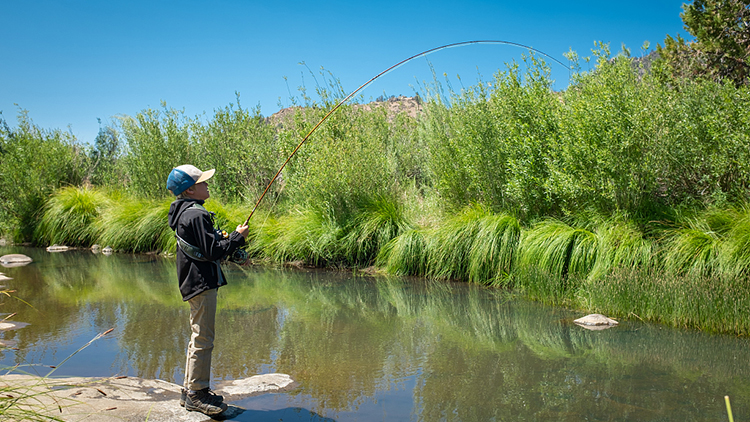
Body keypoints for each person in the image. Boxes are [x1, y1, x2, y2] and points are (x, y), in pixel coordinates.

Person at [166, 164, 249, 416]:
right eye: (203, 182)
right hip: (201, 283)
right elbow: (213, 251)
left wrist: (231, 245)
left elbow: (206, 248)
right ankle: (196, 394)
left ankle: (190, 388)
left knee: (197, 336)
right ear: (190, 189)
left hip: (194, 282)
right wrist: (237, 237)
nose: (207, 185)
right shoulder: (196, 214)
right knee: (203, 338)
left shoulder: (184, 212)